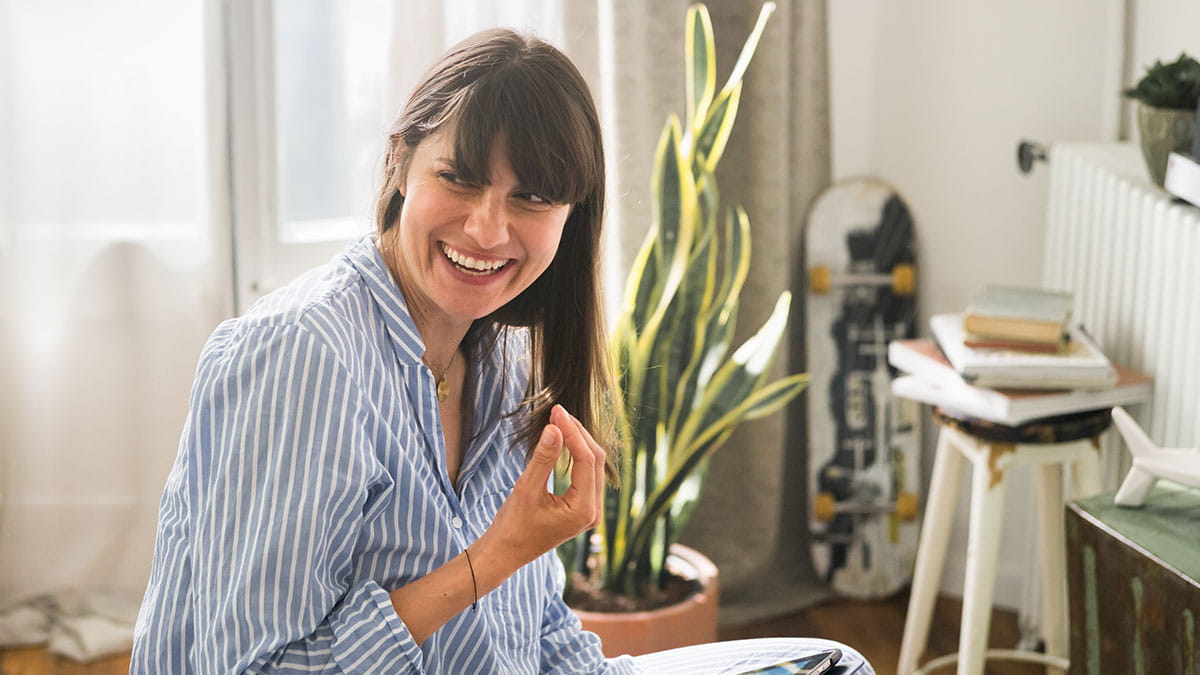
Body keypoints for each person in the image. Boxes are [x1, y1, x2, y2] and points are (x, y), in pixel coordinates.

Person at [131, 28, 872, 674]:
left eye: (532, 198)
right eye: (459, 177)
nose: (487, 229)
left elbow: (539, 629)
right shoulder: (301, 356)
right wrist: (492, 557)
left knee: (834, 664)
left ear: (570, 216)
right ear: (399, 162)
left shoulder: (506, 361)